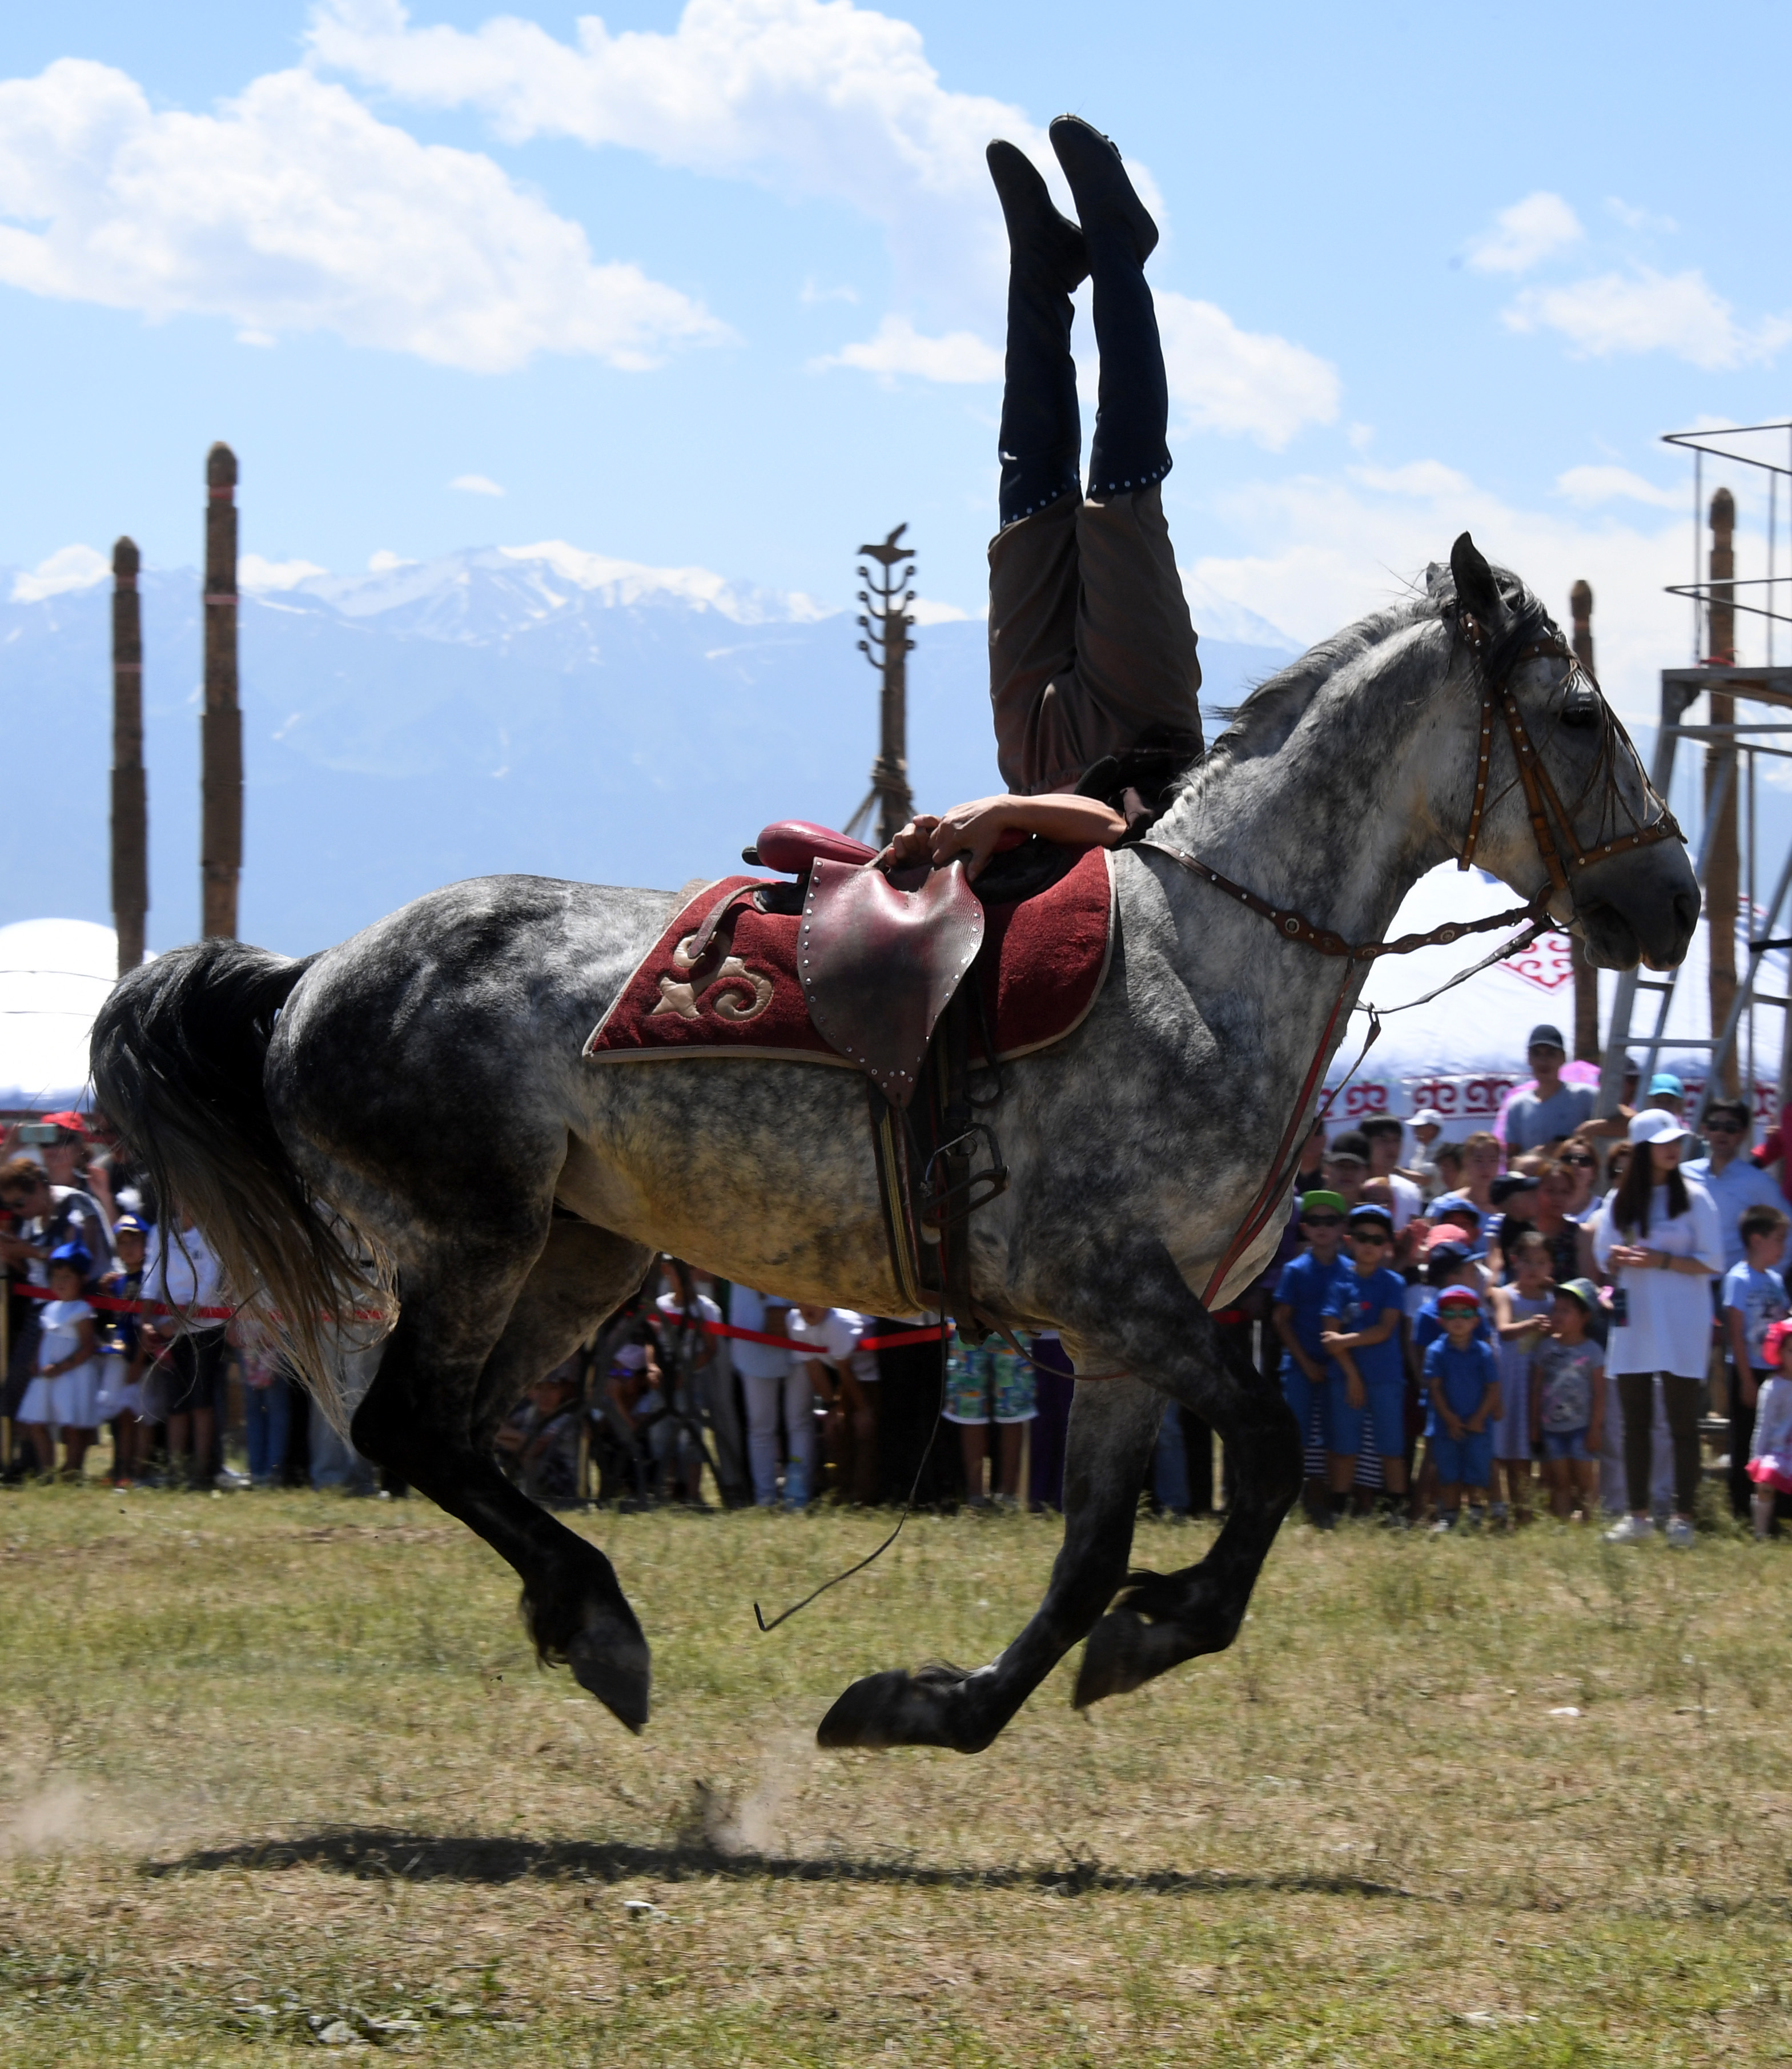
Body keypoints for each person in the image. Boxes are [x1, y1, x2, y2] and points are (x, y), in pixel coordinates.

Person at [881, 116, 1202, 879]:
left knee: (1027, 492)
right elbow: (1107, 824)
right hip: (1139, 737)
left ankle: (1041, 265)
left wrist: (945, 828)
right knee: (1118, 488)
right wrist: (1005, 811)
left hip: (1031, 747)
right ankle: (1116, 243)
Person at [1592, 1110, 1722, 1546]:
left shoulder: (1697, 1197)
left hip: (1683, 1321)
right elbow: (1603, 1258)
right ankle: (1638, 1517)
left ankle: (1683, 1517)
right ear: (1643, 1148)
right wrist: (1616, 1259)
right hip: (1636, 1320)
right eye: (1663, 1141)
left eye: (1677, 1140)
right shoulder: (1619, 1200)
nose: (1673, 1148)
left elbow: (1712, 1261)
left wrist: (1659, 1260)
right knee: (1635, 1421)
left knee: (1684, 1422)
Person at [1318, 1204, 1409, 1522]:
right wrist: (1352, 1374)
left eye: (1377, 1239)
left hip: (1386, 1376)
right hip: (1345, 1378)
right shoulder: (1338, 1283)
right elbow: (1329, 1336)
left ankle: (1396, 1513)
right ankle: (1338, 1510)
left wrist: (1345, 1341)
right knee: (1344, 1446)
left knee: (1391, 1447)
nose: (1370, 1245)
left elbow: (1385, 1330)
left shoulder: (1393, 1283)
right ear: (1350, 1241)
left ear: (1388, 1246)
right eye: (1362, 1238)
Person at [1271, 1191, 1349, 1520]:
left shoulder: (1352, 1271)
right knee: (1296, 1436)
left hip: (1339, 1367)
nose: (1322, 1228)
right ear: (1304, 1227)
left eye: (1330, 1221)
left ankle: (1329, 1503)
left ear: (1341, 1228)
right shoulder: (1295, 1270)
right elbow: (1280, 1319)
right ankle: (1288, 1503)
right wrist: (1304, 1362)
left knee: (1336, 1434)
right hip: (1300, 1366)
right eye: (1315, 1221)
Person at [140, 1210, 228, 1491]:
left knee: (201, 1402)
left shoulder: (213, 1232)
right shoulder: (161, 1231)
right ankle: (176, 1469)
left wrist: (171, 1326)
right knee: (176, 1403)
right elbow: (150, 1277)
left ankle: (202, 1471)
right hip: (168, 1325)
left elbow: (207, 1290)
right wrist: (144, 1324)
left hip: (204, 1329)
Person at [1721, 1204, 1790, 1522]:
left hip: (1776, 1369)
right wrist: (1747, 1379)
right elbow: (1735, 1331)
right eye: (1779, 1238)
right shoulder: (1739, 1278)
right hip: (1747, 1368)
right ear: (1757, 1239)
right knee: (1747, 1438)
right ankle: (1741, 1509)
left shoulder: (1776, 1280)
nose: (1783, 1246)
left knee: (1775, 1440)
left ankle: (1771, 1508)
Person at [1488, 1231, 1553, 1525]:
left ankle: (1523, 1510)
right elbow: (1503, 1330)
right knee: (1499, 1446)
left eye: (1541, 1262)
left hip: (1535, 1384)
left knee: (1522, 1450)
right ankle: (1496, 1506)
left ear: (1550, 1266)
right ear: (1515, 1262)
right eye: (1527, 1262)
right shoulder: (1506, 1295)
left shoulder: (1552, 1301)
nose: (1534, 1269)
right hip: (1507, 1380)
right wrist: (1530, 1325)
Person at [1423, 1285, 1500, 1530]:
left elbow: (1493, 1387)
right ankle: (1450, 1514)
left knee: (1477, 1469)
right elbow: (1434, 1388)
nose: (1458, 1320)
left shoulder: (1484, 1352)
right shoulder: (1436, 1352)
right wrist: (1449, 1418)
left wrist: (1479, 1417)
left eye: (1466, 1314)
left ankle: (1477, 1513)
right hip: (1447, 1425)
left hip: (1478, 1423)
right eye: (1451, 1314)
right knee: (1449, 1471)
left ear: (1476, 1320)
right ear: (1440, 1321)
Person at [18, 1243, 99, 1479]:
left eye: (67, 1277)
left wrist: (62, 1367)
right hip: (47, 1373)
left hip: (71, 1374)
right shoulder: (50, 1309)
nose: (60, 1282)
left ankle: (72, 1469)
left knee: (71, 1424)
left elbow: (87, 1346)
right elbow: (45, 1339)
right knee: (36, 1421)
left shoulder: (82, 1310)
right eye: (56, 1277)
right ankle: (47, 1469)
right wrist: (36, 1361)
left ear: (82, 1279)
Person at [787, 1305, 882, 1505]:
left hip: (872, 1375)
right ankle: (842, 1490)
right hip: (849, 1378)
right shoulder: (795, 1323)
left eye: (814, 1301)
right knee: (838, 1430)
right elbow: (814, 1368)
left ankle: (864, 1498)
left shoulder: (837, 1324)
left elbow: (846, 1372)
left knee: (865, 1431)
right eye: (802, 1300)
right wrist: (831, 1406)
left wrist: (864, 1410)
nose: (808, 1307)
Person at [1530, 1279, 1605, 1520]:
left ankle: (1590, 1522)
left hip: (1581, 1429)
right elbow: (1536, 1388)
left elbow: (1600, 1393)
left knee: (1585, 1479)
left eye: (1567, 1310)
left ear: (1585, 1317)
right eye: (1556, 1309)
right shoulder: (1545, 1349)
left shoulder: (1593, 1351)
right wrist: (1535, 1426)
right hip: (1551, 1428)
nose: (1558, 1315)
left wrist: (1595, 1429)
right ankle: (1561, 1525)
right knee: (1559, 1480)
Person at [1684, 1099, 1784, 1279]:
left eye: (1730, 1127)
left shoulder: (1759, 1182)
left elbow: (1788, 1230)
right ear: (1704, 1130)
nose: (1722, 1133)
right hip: (1688, 1283)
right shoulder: (1683, 1175)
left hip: (1735, 1288)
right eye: (1715, 1126)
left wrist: (1768, 1279)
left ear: (1742, 1134)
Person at [728, 1283, 807, 1509]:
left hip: (801, 1317)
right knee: (762, 1425)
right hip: (753, 1328)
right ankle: (765, 1498)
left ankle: (797, 1498)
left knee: (799, 1420)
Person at [941, 1324, 1034, 1507]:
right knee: (970, 1410)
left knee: (1012, 1409)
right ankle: (975, 1496)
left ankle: (1008, 1495)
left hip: (1011, 1318)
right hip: (967, 1316)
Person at [94, 1211, 150, 1487]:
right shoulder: (118, 1282)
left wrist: (139, 1360)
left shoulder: (147, 1280)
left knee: (138, 1415)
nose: (128, 1249)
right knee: (121, 1415)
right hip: (119, 1354)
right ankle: (121, 1467)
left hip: (139, 1356)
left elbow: (144, 1324)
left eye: (134, 1242)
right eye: (122, 1243)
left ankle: (137, 1469)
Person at [1504, 1026, 1596, 1153]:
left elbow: (1627, 1122)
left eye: (1551, 1054)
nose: (1543, 1061)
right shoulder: (1517, 1106)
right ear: (1529, 1059)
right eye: (1537, 1054)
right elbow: (1511, 1161)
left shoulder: (1585, 1096)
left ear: (1563, 1058)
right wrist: (1541, 1154)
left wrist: (1590, 1129)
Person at [1745, 1319, 1792, 1539]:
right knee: (1766, 1478)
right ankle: (1761, 1531)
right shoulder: (1773, 1387)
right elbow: (1763, 1425)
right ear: (1780, 1352)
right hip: (1780, 1450)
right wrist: (1757, 1457)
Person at [1427, 1132, 1502, 1255]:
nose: (1486, 1167)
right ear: (1466, 1163)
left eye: (1492, 1160)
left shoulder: (1506, 1209)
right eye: (1479, 1160)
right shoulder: (1444, 1205)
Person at [1405, 1108, 1447, 1200]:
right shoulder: (1421, 1148)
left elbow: (1425, 1180)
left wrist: (1397, 1171)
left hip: (1436, 1201)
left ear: (1432, 1129)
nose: (1415, 1130)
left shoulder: (1440, 1150)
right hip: (1421, 1201)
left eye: (1419, 1126)